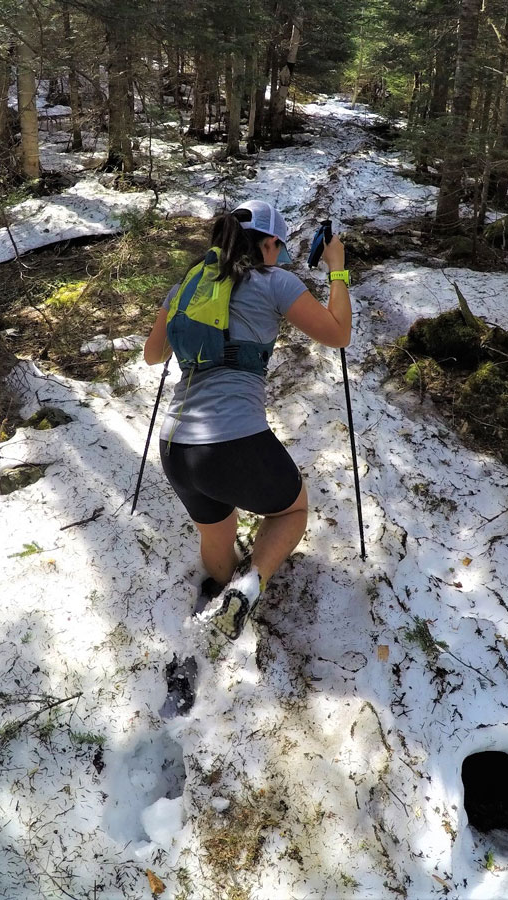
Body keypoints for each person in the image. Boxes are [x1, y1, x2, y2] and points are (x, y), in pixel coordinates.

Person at [142, 200, 351, 639]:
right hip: (233, 439)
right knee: (292, 509)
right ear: (269, 243)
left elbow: (152, 355)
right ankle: (248, 586)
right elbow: (338, 334)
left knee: (217, 533)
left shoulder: (188, 286)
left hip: (175, 446)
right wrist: (337, 268)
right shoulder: (274, 281)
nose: (279, 257)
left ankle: (219, 592)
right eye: (279, 248)